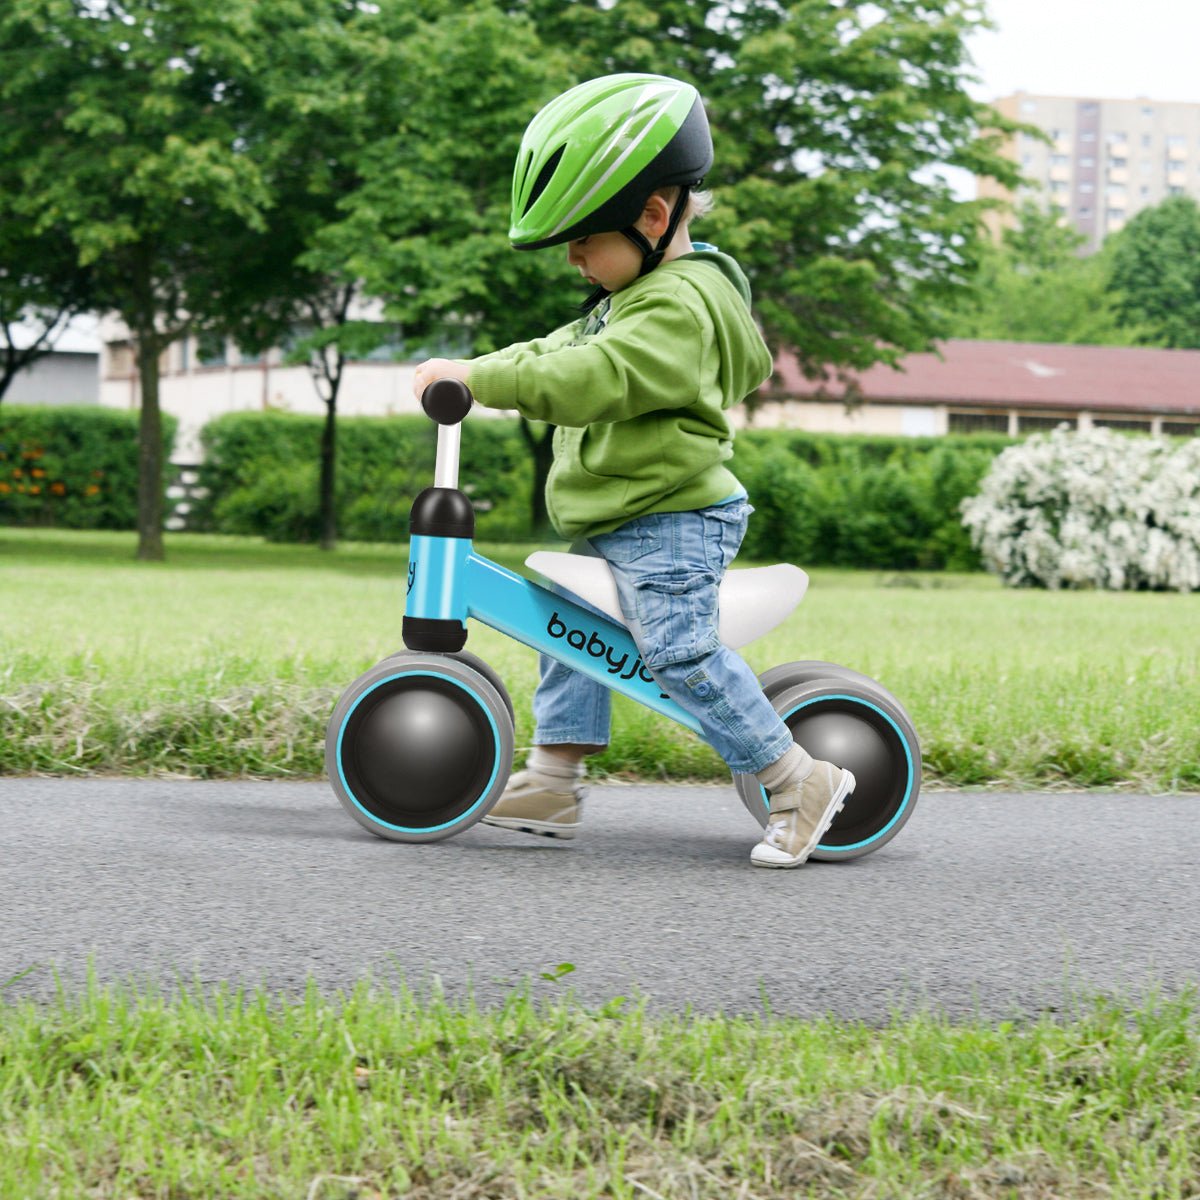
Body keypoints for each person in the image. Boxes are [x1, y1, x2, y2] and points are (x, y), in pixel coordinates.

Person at [412, 73, 855, 868]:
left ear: (653, 218)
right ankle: (554, 776)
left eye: (586, 238)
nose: (577, 259)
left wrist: (488, 383)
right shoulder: (637, 293)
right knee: (562, 623)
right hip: (632, 518)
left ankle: (797, 779)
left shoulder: (674, 310)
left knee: (678, 651)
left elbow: (592, 378)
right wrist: (474, 367)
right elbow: (559, 349)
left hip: (675, 522)